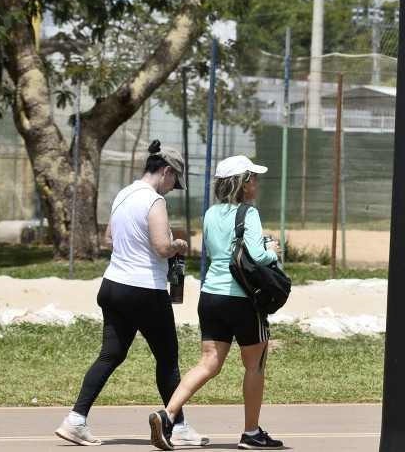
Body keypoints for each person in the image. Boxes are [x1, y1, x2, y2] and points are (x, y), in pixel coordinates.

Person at [54, 140, 209, 448]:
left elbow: (109, 237)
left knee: (110, 354)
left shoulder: (123, 194)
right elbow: (162, 247)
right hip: (144, 291)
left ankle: (75, 420)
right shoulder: (154, 201)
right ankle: (177, 426)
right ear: (165, 171)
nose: (171, 189)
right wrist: (178, 245)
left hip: (112, 286)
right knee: (167, 360)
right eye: (173, 182)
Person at [148, 154, 284, 450]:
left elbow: (221, 252)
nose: (257, 182)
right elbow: (258, 257)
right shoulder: (249, 213)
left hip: (211, 296)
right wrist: (271, 250)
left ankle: (168, 414)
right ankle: (251, 432)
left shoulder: (210, 214)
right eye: (254, 177)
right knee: (255, 366)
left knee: (209, 362)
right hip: (242, 300)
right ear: (244, 183)